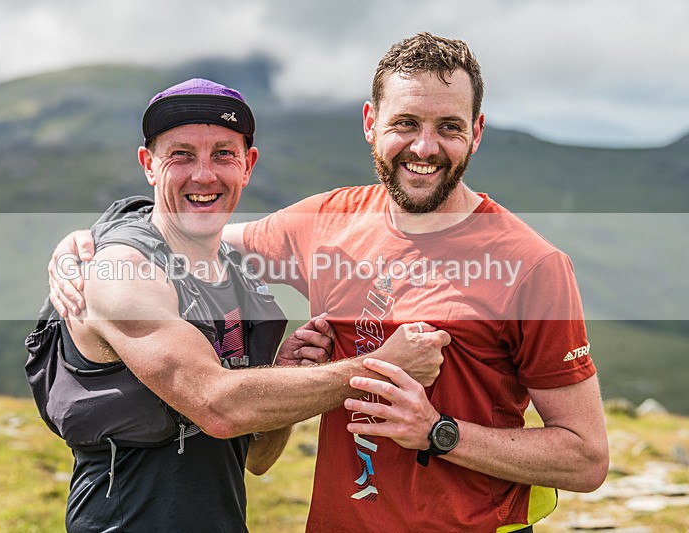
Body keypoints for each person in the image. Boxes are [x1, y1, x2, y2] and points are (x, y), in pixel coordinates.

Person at [50, 33, 609, 531]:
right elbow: (194, 234)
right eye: (405, 123)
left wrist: (440, 432)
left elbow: (585, 458)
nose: (424, 147)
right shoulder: (329, 222)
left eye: (449, 128)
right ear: (371, 123)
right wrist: (98, 239)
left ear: (477, 133)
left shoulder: (533, 266)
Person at [32, 77, 450, 532]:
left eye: (223, 154)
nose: (204, 174)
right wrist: (382, 367)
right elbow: (218, 407)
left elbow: (256, 457)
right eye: (181, 155)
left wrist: (285, 373)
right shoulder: (123, 272)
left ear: (248, 165)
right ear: (149, 165)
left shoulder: (239, 279)